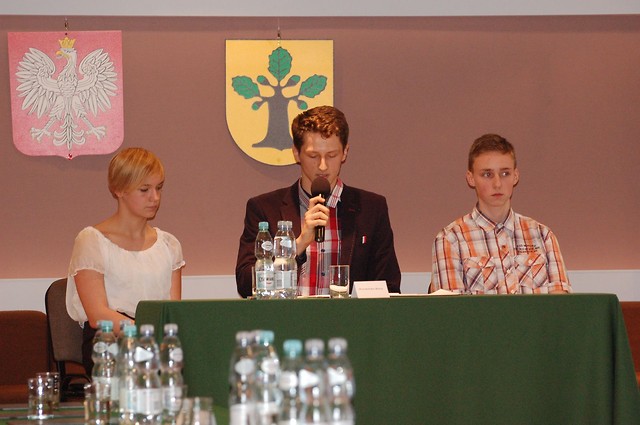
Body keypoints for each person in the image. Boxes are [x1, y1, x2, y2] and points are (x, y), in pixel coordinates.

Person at [235, 105, 401, 297]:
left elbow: (389, 286)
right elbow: (245, 284)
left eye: (332, 155)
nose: (323, 166)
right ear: (296, 153)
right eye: (313, 156)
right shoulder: (264, 208)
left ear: (345, 152)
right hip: (286, 316)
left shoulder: (371, 209)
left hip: (350, 317)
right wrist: (298, 245)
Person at [66, 147, 184, 373]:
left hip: (155, 339)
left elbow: (173, 311)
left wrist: (161, 340)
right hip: (109, 341)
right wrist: (147, 335)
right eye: (144, 189)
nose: (155, 198)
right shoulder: (92, 240)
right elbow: (97, 315)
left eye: (159, 188)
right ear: (119, 190)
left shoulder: (169, 244)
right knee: (144, 367)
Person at [430, 134, 571, 295]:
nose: (497, 184)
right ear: (471, 178)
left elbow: (561, 304)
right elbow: (451, 308)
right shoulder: (450, 240)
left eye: (505, 174)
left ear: (515, 176)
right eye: (487, 174)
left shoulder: (543, 236)